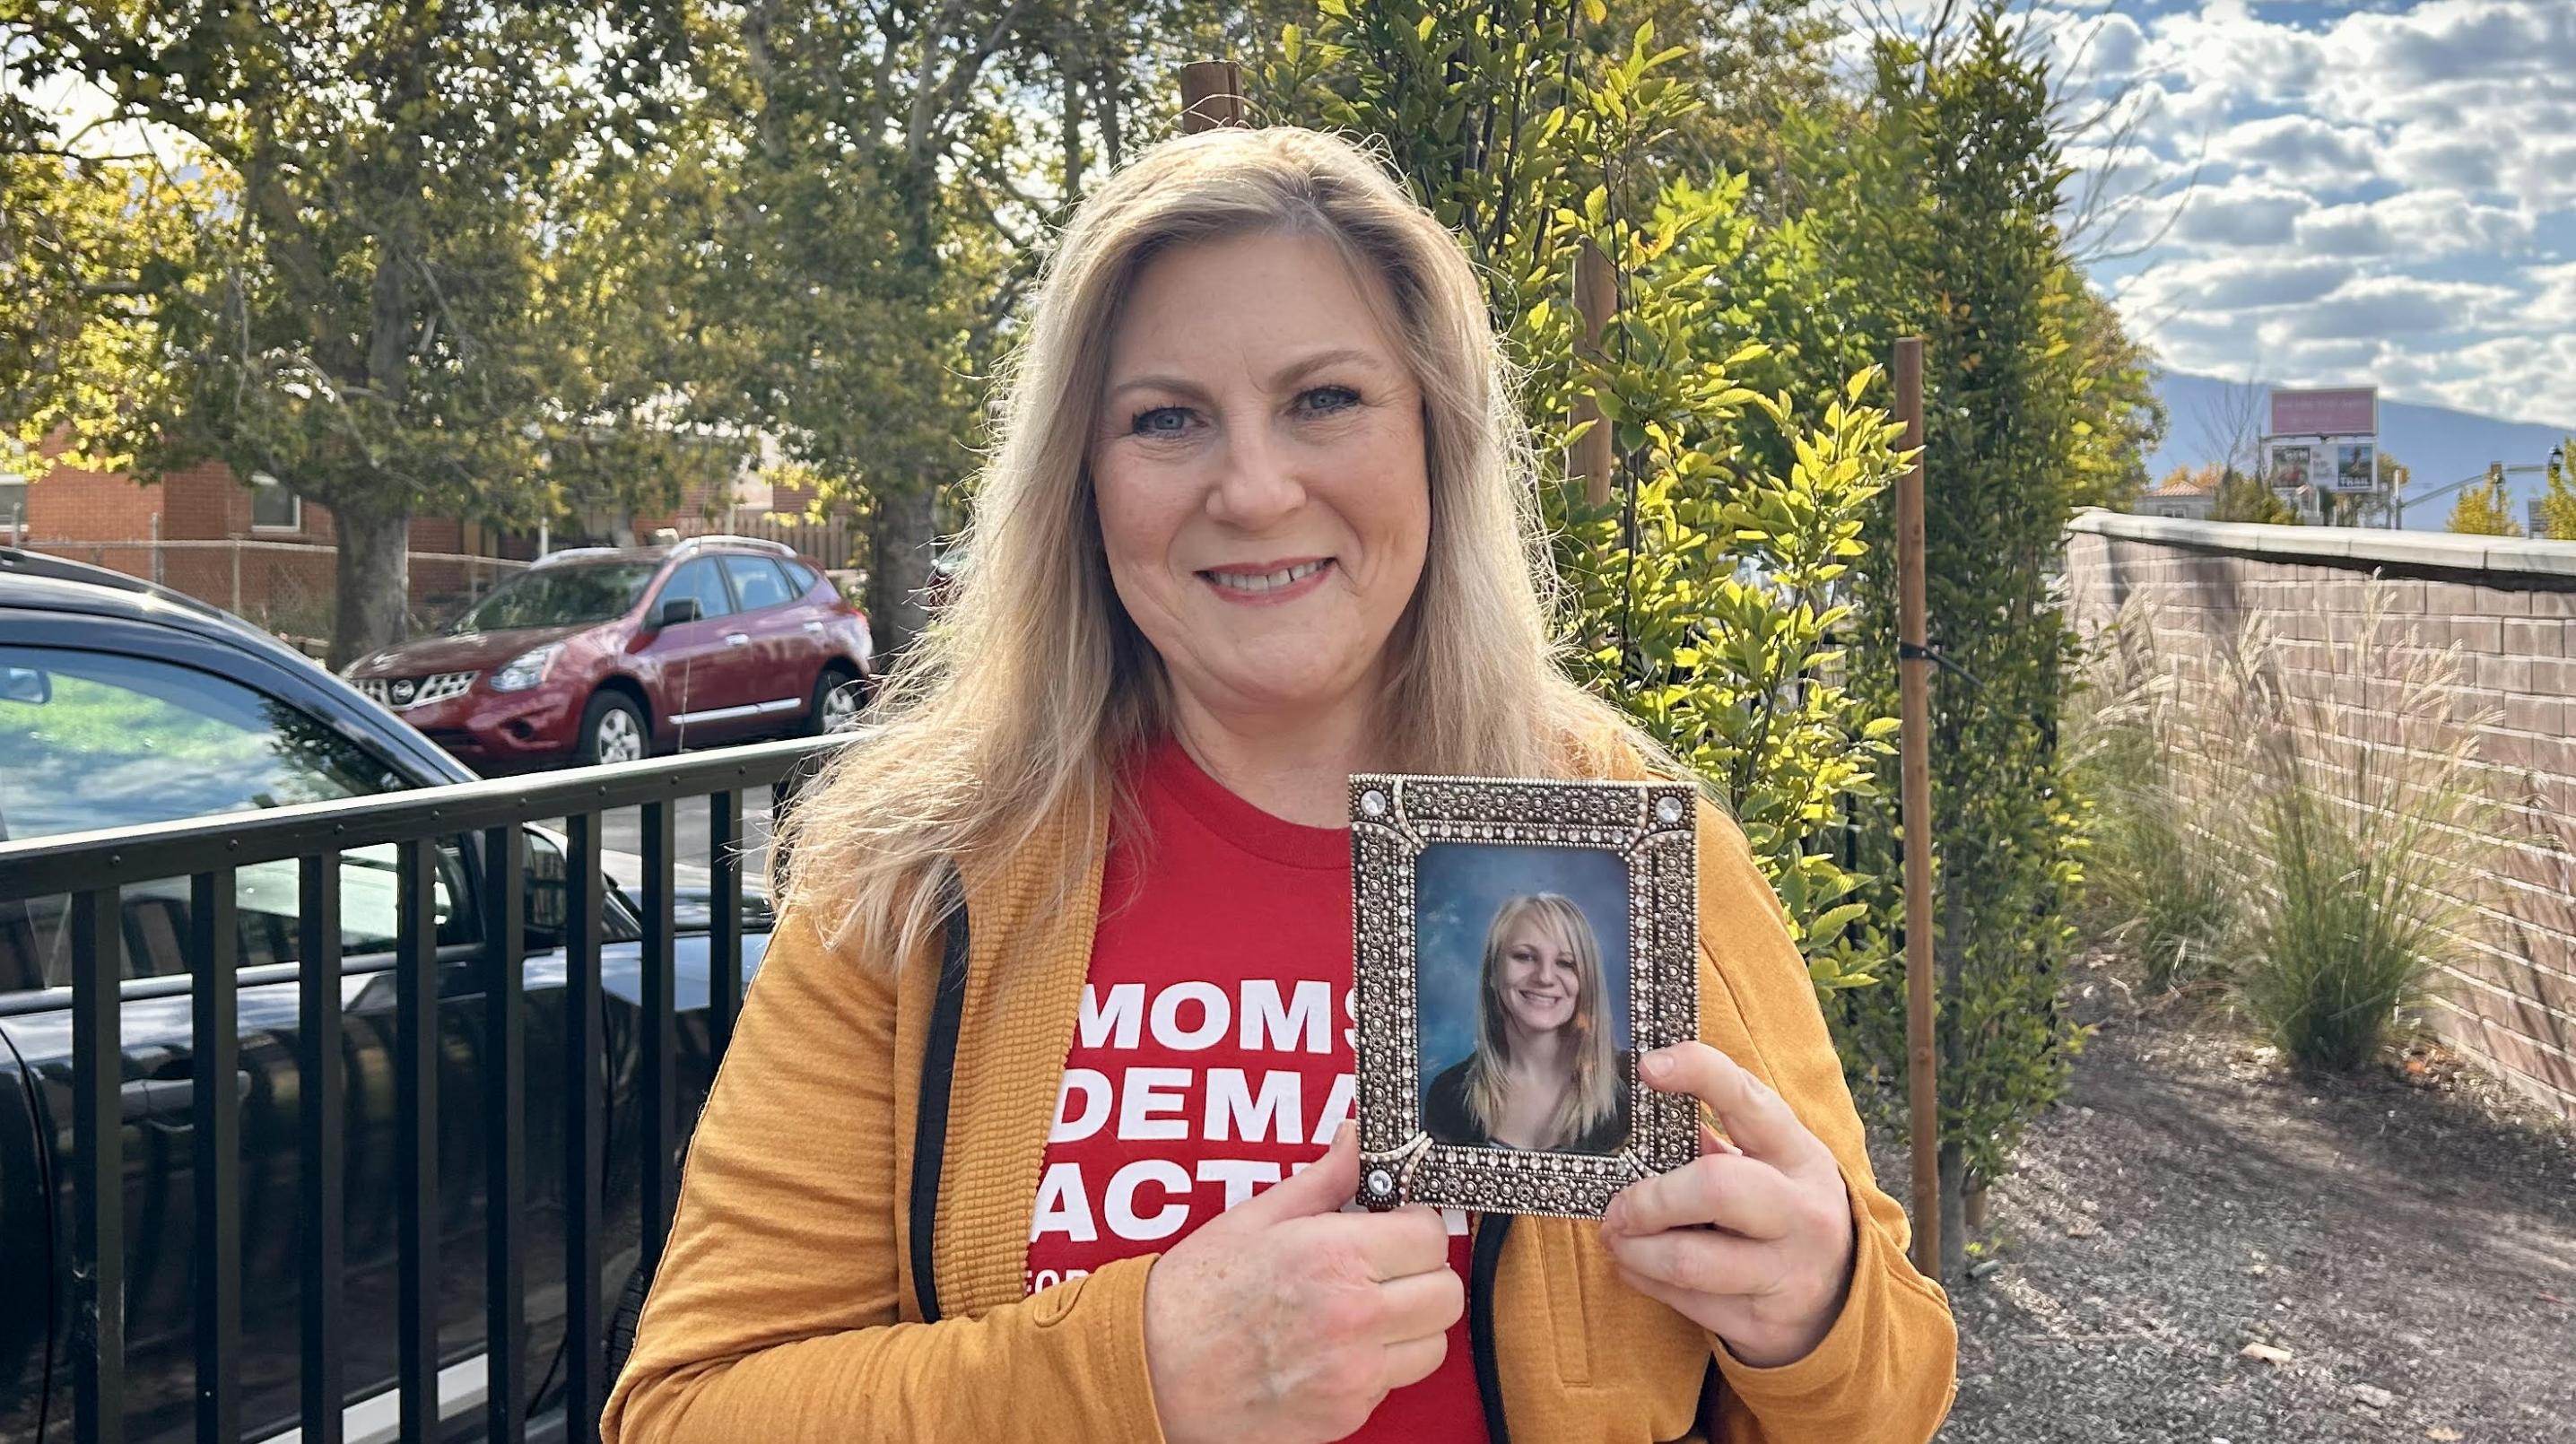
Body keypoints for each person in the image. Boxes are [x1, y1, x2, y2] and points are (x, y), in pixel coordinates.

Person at [602, 125, 1955, 1444]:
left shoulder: (1629, 849)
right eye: (1167, 418)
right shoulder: (916, 878)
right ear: (1082, 479)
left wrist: (1818, 1305)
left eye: (1325, 399)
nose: (1252, 489)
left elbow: (1894, 1391)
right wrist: (1133, 1377)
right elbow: (690, 1407)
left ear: (1438, 436)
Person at [1423, 892, 1631, 1154]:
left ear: (1586, 981)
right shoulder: (1449, 1095)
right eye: (1524, 957)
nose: (1544, 977)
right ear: (1493, 973)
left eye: (1566, 963)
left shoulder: (1635, 1083)